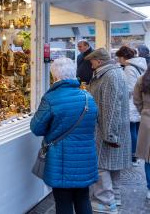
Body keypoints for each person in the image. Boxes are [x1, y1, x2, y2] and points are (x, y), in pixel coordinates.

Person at [30, 57, 98, 214]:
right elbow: (94, 122)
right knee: (83, 198)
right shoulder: (88, 97)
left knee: (63, 201)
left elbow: (36, 128)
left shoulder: (51, 98)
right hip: (85, 157)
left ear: (55, 76)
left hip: (61, 159)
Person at [85, 48, 131, 214]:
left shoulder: (110, 76)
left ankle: (105, 202)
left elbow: (112, 108)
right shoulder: (111, 74)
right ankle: (115, 197)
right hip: (110, 128)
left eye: (92, 62)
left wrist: (110, 135)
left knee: (101, 165)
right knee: (112, 164)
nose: (91, 66)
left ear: (99, 61)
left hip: (107, 129)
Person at [116, 46, 147, 167]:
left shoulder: (129, 68)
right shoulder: (140, 64)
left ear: (123, 57)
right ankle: (137, 155)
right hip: (139, 101)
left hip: (131, 103)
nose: (119, 60)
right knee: (136, 130)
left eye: (119, 58)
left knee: (131, 130)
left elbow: (129, 88)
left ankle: (133, 156)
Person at [133, 69, 150, 200]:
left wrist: (144, 111)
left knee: (149, 158)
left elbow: (137, 100)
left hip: (147, 119)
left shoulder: (142, 79)